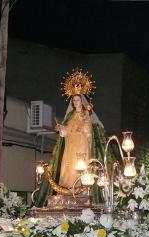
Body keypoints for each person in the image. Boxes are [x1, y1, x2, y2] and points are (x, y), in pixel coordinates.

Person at [34, 70, 107, 206]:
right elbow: (65, 132)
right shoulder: (70, 116)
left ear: (82, 100)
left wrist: (82, 128)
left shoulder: (86, 114)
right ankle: (67, 188)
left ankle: (82, 189)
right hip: (70, 146)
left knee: (80, 166)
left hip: (82, 145)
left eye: (78, 99)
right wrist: (61, 129)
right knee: (68, 167)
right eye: (73, 100)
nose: (75, 102)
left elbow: (89, 131)